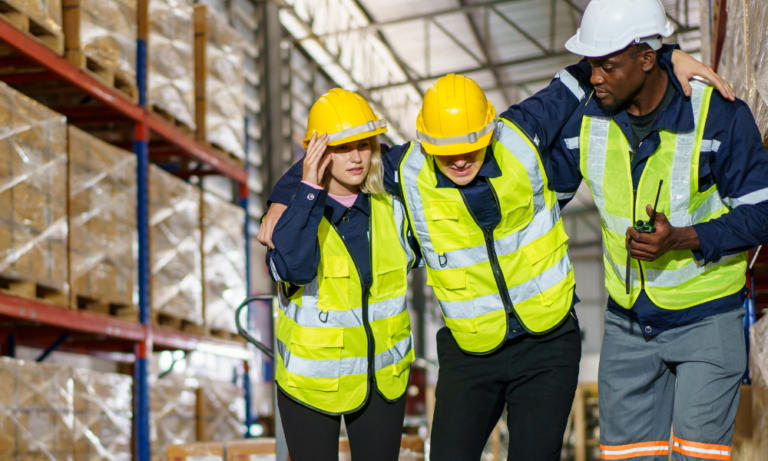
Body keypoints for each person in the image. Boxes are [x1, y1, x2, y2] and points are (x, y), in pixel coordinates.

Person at [260, 53, 729, 460]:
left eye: (469, 148)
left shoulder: (522, 132)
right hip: (471, 352)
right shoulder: (407, 168)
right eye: (446, 153)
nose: (460, 161)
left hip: (548, 342)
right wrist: (286, 195)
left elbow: (587, 75)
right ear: (424, 142)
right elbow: (342, 151)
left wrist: (666, 58)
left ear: (489, 128)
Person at [547, 0, 768, 459]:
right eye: (591, 65)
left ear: (647, 59)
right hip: (627, 326)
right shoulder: (584, 118)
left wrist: (684, 237)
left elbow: (762, 213)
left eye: (607, 65)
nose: (595, 77)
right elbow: (535, 191)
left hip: (708, 319)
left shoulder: (719, 115)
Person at [266, 89, 418, 461]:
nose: (355, 157)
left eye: (364, 145)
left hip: (382, 380)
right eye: (342, 147)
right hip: (310, 385)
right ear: (318, 152)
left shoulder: (393, 209)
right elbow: (296, 269)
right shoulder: (292, 214)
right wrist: (305, 190)